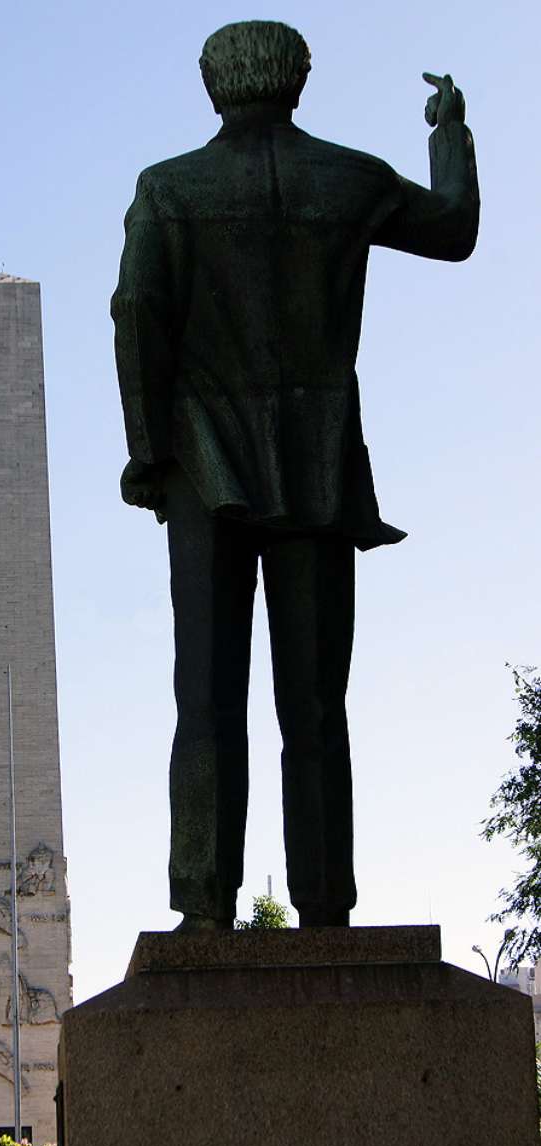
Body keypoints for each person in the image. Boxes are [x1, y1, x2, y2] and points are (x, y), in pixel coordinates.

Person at [112, 21, 479, 930]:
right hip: (318, 463)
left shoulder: (169, 189)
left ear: (214, 86)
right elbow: (455, 227)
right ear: (298, 81)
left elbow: (135, 312)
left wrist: (150, 446)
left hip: (205, 463)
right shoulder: (347, 178)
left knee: (204, 702)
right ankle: (324, 907)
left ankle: (202, 906)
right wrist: (448, 134)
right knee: (315, 707)